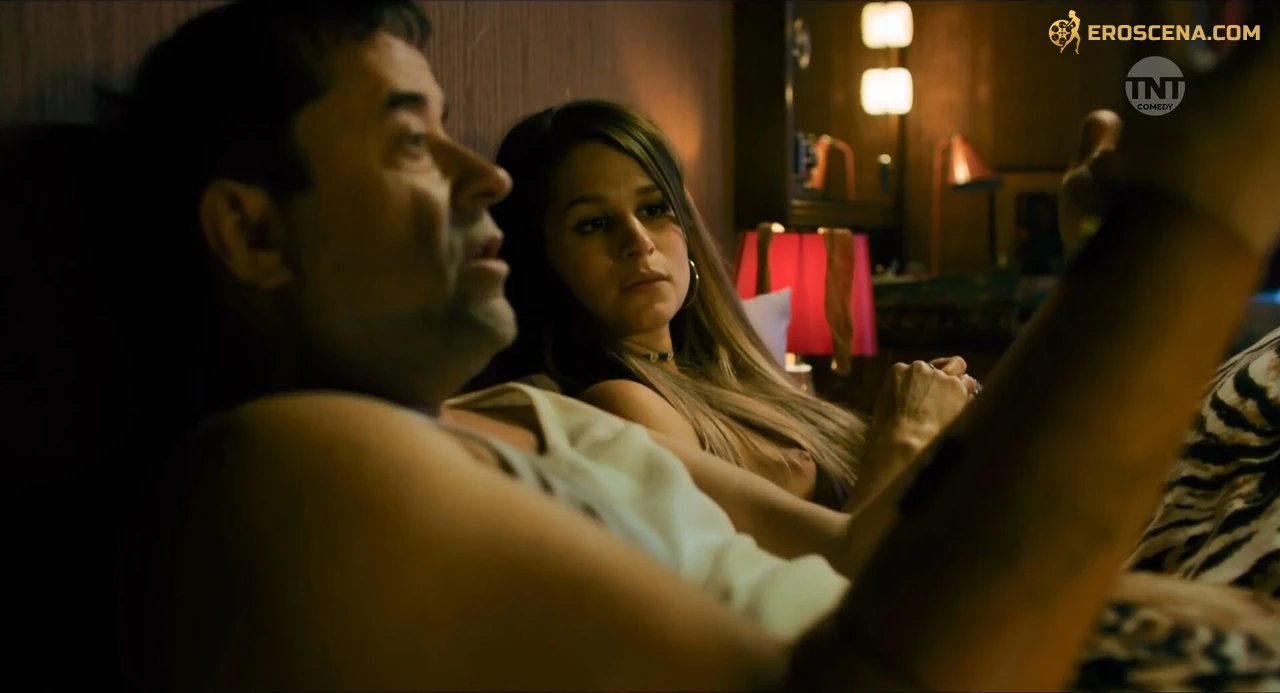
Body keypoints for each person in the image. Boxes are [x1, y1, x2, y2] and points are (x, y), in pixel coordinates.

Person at [106, 0, 1280, 690]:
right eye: (414, 144)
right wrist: (1184, 227)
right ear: (251, 231)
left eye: (653, 210)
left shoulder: (532, 419)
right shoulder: (288, 464)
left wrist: (1134, 606)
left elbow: (856, 555)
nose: (485, 178)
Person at [476, 99, 976, 518]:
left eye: (653, 209)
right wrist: (907, 433)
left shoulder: (727, 373)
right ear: (542, 261)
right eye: (594, 224)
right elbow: (821, 576)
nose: (638, 241)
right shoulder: (623, 403)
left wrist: (932, 421)